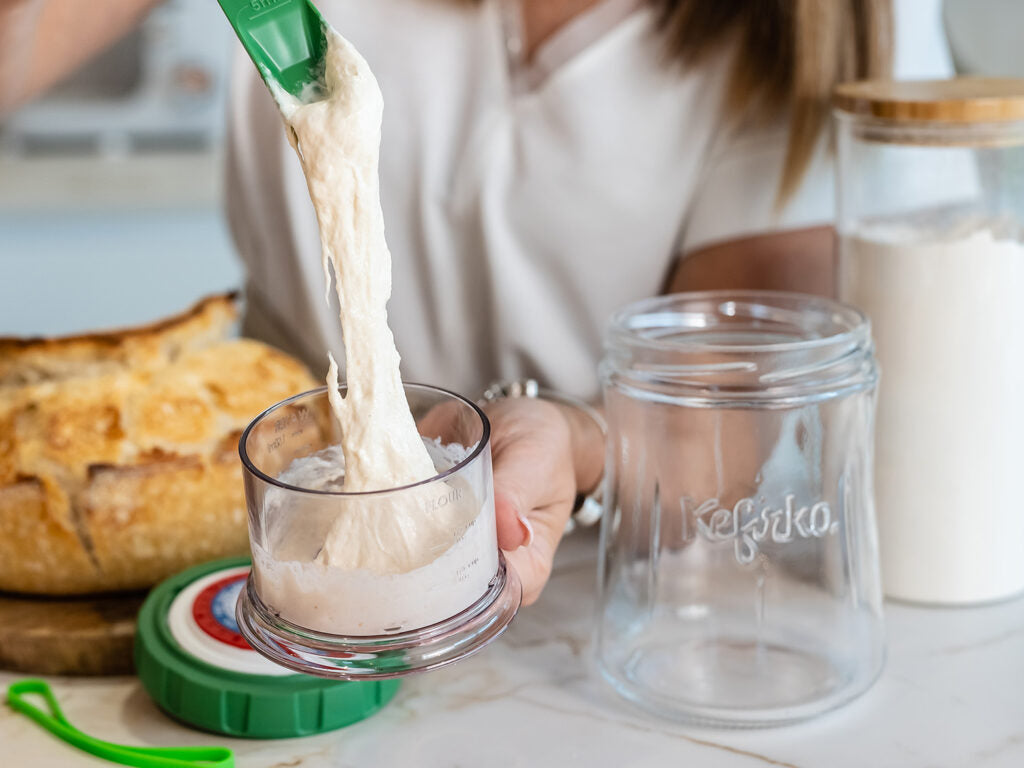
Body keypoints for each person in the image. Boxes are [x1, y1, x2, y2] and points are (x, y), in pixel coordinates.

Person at [2, 0, 917, 606]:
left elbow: (721, 431)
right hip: (274, 566)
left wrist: (576, 437)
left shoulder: (790, 33)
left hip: (587, 614)